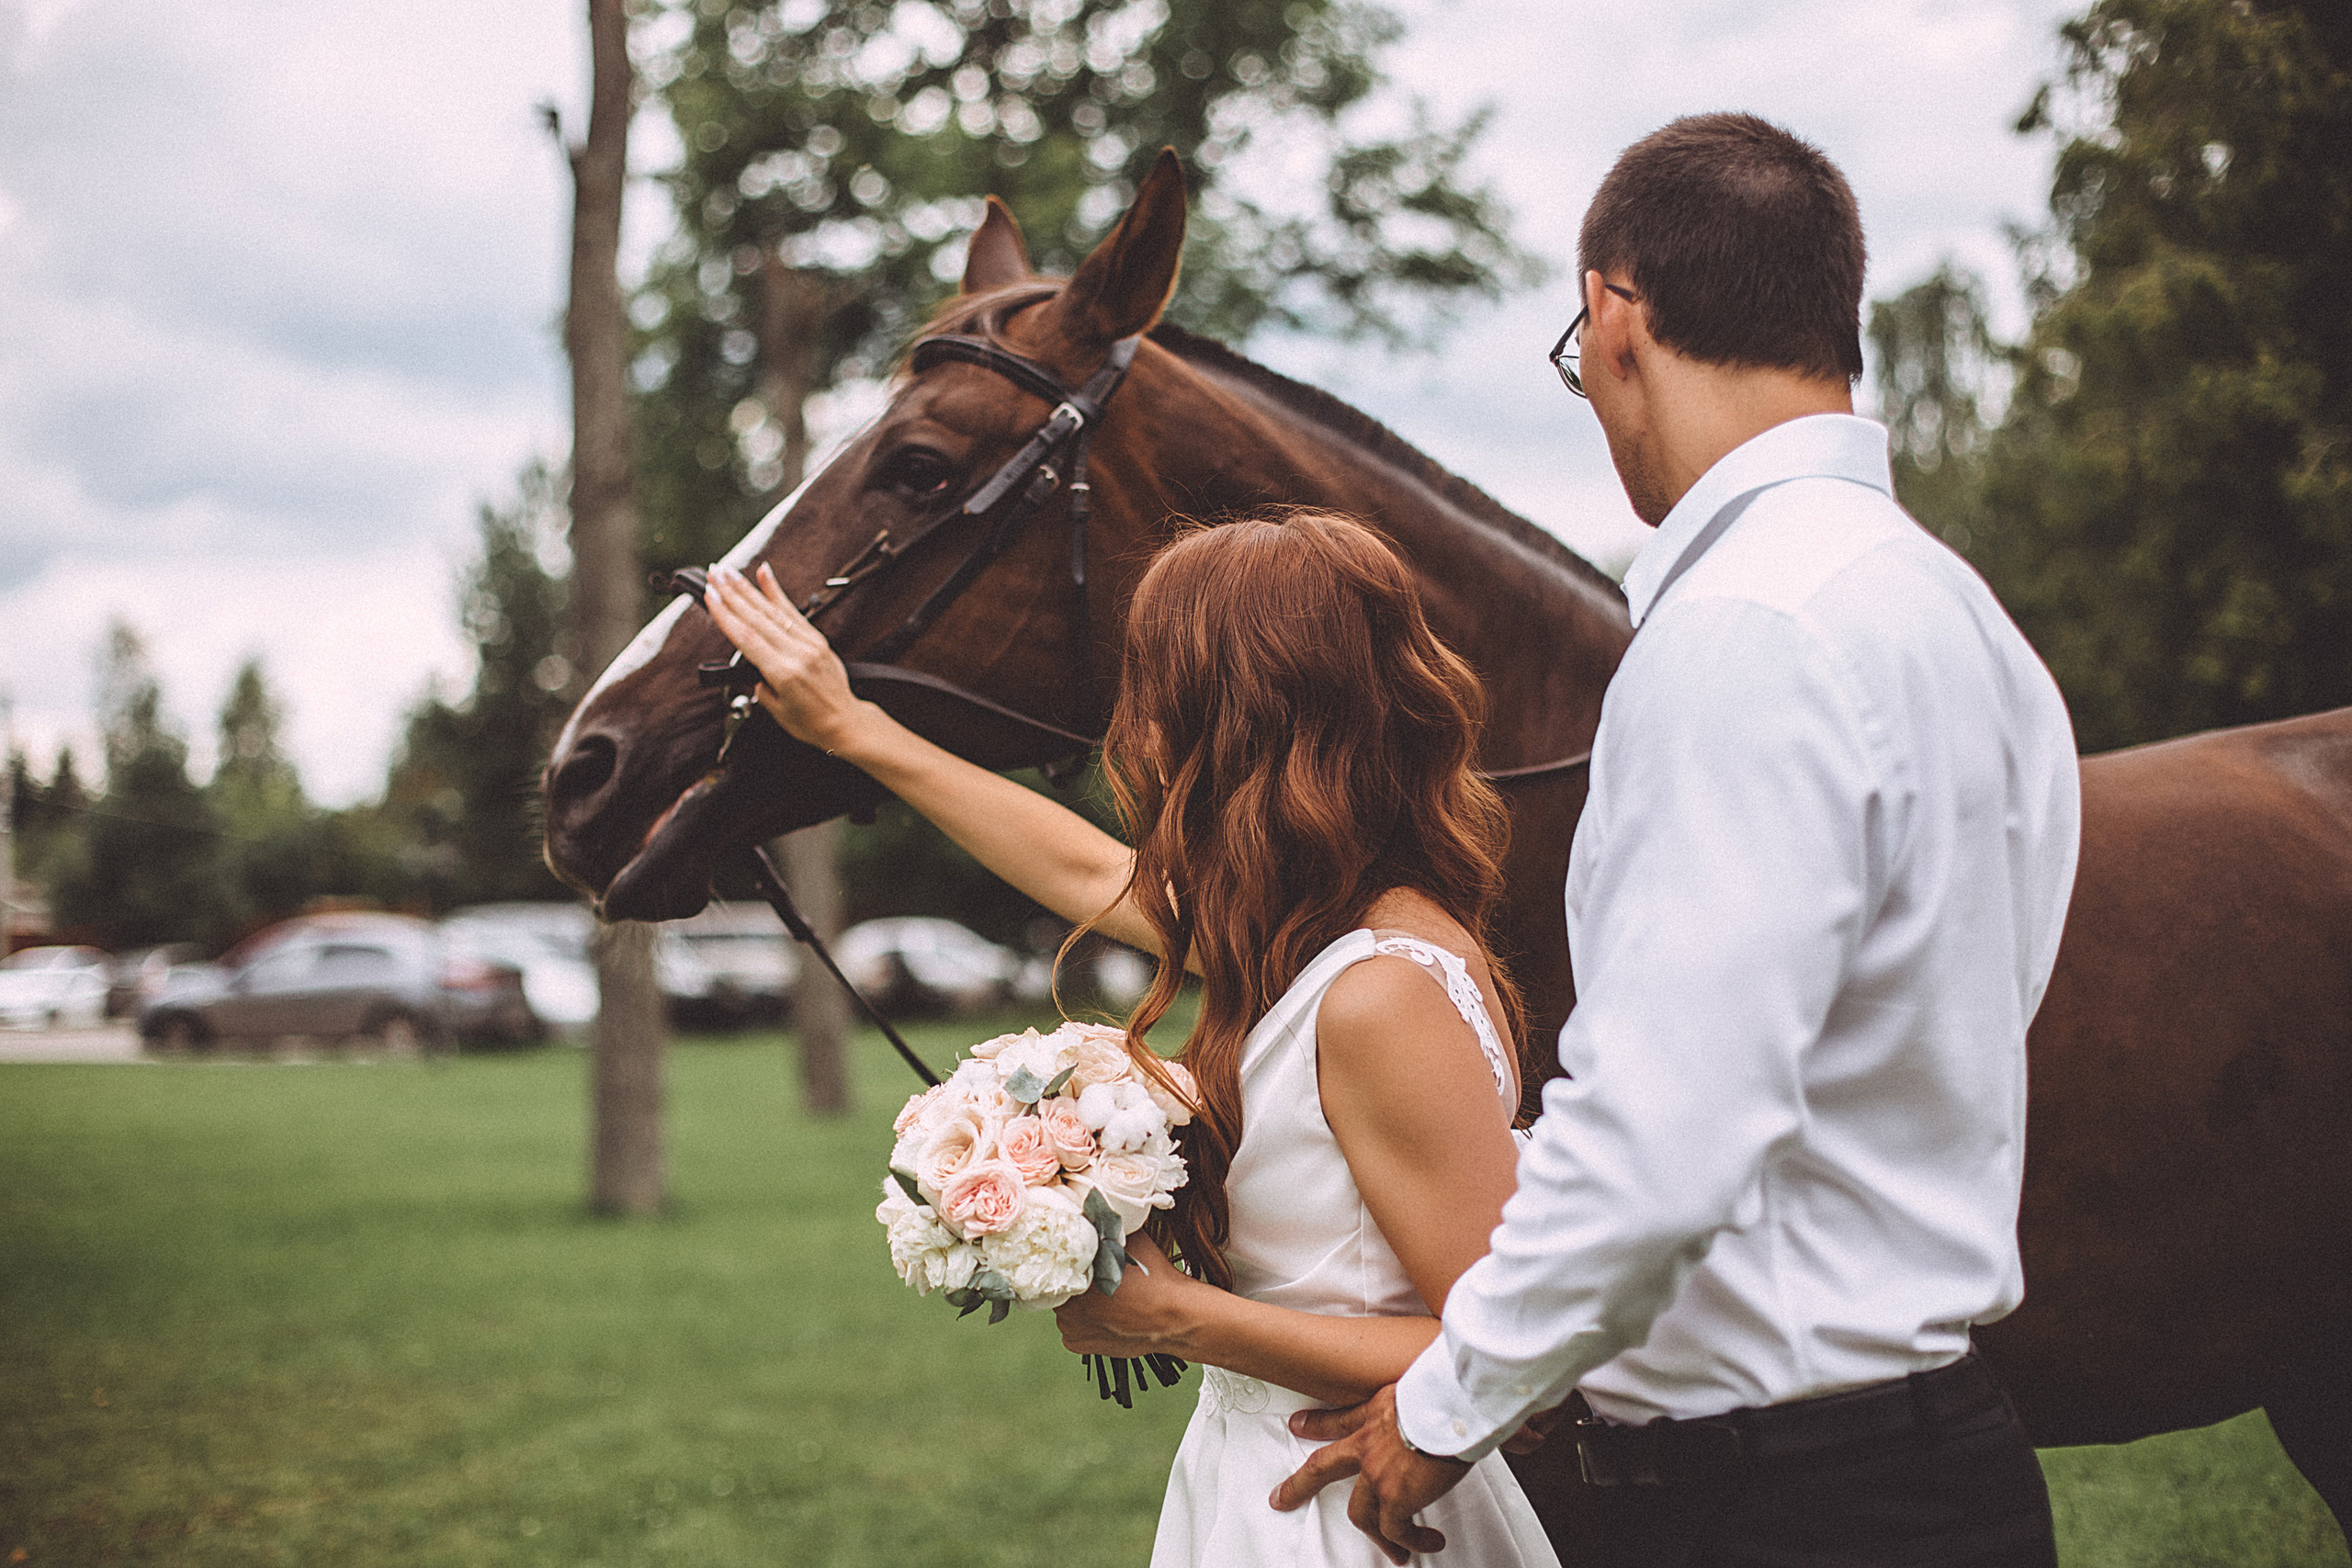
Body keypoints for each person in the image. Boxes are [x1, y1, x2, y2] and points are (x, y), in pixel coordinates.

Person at [1272, 112, 2083, 1567]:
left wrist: (1444, 1402)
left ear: (1615, 314)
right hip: (1939, 1454)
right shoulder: (1958, 612)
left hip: (1774, 1498)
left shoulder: (1736, 634)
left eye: (1577, 355)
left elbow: (1668, 1126)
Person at [704, 511, 1564, 1567]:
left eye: (1153, 688)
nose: (1136, 730)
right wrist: (851, 727)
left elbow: (1504, 1354)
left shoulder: (1383, 989)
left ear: (1232, 718)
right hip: (1257, 1490)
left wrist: (1178, 1318)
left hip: (1347, 1516)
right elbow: (1082, 871)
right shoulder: (1314, 930)